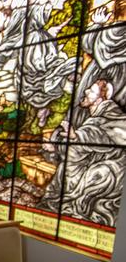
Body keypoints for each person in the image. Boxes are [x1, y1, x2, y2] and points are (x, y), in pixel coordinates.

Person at [40, 80, 126, 226]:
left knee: (98, 176)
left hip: (114, 168)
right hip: (96, 160)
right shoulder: (93, 116)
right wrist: (58, 145)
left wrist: (77, 136)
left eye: (91, 91)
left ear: (99, 100)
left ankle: (78, 209)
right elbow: (83, 145)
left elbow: (101, 135)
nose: (86, 92)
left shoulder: (110, 115)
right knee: (64, 168)